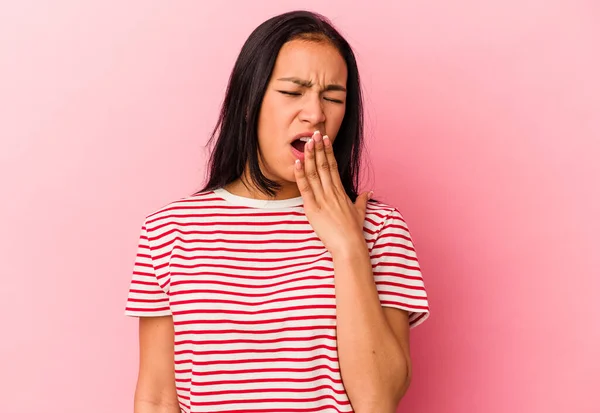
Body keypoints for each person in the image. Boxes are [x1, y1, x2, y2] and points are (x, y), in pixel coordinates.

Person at [125, 9, 430, 413]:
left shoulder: (378, 226)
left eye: (333, 97)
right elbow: (158, 396)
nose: (316, 113)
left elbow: (378, 400)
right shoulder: (169, 230)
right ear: (249, 101)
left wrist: (347, 246)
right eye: (292, 92)